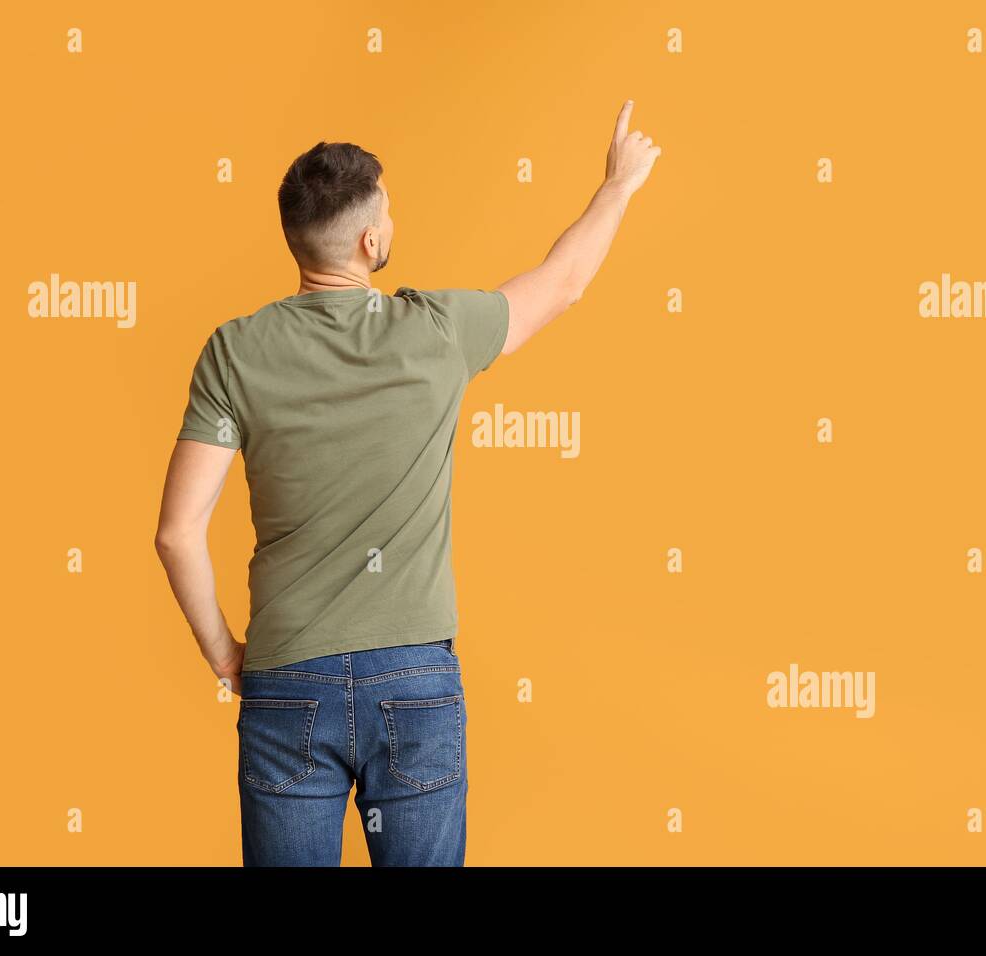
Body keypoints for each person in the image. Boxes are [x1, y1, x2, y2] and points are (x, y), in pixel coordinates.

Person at [153, 100, 661, 866]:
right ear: (369, 239)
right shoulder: (436, 331)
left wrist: (227, 655)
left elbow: (176, 533)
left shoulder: (235, 351)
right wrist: (617, 186)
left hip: (287, 678)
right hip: (414, 681)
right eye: (387, 208)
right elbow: (563, 283)